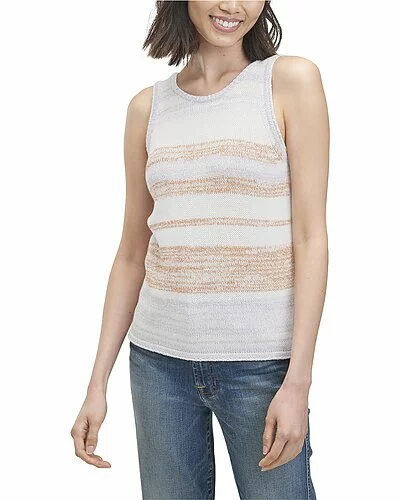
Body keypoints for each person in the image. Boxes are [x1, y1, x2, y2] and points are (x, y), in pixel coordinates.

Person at [71, 1, 329, 498]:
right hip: (158, 365)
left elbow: (311, 237)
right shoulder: (147, 108)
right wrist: (96, 382)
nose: (232, 6)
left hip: (262, 366)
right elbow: (132, 251)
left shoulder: (289, 82)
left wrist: (298, 381)